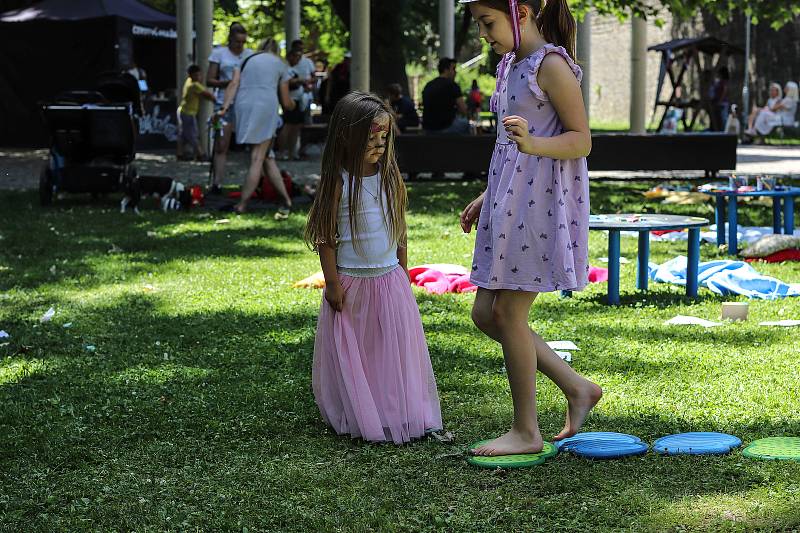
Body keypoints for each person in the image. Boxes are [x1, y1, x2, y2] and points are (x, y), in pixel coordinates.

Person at [458, 0, 602, 457]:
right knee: (486, 314)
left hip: (539, 208)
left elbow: (581, 140)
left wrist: (534, 143)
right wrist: (489, 195)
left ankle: (526, 431)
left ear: (519, 15)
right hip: (508, 202)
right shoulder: (508, 64)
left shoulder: (552, 65)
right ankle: (577, 387)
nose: (484, 34)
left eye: (488, 22)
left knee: (508, 315)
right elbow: (508, 146)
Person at [304, 92, 442, 444]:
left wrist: (403, 271)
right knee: (359, 352)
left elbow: (400, 229)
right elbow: (326, 237)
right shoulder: (339, 180)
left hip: (389, 279)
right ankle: (362, 413)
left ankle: (396, 411)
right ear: (347, 137)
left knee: (391, 351)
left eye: (384, 138)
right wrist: (332, 282)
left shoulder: (389, 176)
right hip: (352, 282)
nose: (379, 145)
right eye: (371, 138)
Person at [218, 38, 296, 214]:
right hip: (265, 106)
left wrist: (224, 108)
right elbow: (285, 100)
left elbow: (233, 84)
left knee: (267, 157)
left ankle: (286, 200)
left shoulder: (245, 59)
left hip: (243, 105)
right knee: (258, 157)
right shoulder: (280, 64)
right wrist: (293, 105)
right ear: (276, 50)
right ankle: (242, 204)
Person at [207, 22, 254, 194]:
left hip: (245, 104)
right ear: (230, 40)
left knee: (252, 145)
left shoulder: (250, 55)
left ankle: (253, 184)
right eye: (237, 42)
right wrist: (228, 83)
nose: (240, 46)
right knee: (221, 145)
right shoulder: (219, 53)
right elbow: (209, 80)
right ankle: (217, 183)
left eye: (243, 42)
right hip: (223, 103)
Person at [277, 46, 315, 160]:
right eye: (296, 56)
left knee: (296, 128)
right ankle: (281, 151)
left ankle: (292, 152)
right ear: (290, 56)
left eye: (299, 57)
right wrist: (300, 80)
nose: (298, 59)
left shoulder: (294, 69)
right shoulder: (284, 67)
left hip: (299, 101)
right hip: (289, 101)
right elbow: (285, 81)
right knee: (287, 126)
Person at [177, 64, 215, 161]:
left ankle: (180, 154)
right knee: (193, 134)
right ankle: (201, 154)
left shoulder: (188, 81)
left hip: (183, 111)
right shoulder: (195, 85)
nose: (199, 77)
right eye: (196, 75)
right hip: (188, 113)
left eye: (200, 75)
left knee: (183, 135)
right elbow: (209, 95)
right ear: (191, 75)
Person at [422, 58, 470, 134]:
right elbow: (463, 109)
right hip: (446, 127)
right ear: (446, 70)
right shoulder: (453, 85)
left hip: (428, 128)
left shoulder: (428, 86)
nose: (455, 72)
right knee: (465, 124)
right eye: (453, 69)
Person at [709, 66, 730, 131]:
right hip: (718, 103)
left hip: (722, 104)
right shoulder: (718, 82)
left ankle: (724, 133)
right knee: (718, 120)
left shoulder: (724, 82)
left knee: (723, 119)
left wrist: (720, 100)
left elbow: (724, 91)